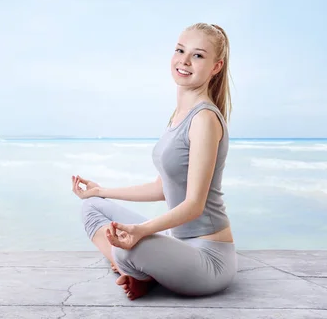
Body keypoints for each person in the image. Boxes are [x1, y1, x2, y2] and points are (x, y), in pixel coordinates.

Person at [72, 22, 236, 300]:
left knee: (126, 246)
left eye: (197, 55)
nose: (184, 60)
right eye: (180, 50)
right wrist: (100, 191)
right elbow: (162, 188)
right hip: (178, 245)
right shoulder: (179, 115)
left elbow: (194, 206)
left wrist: (141, 231)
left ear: (216, 67)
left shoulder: (204, 120)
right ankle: (137, 270)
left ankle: (134, 270)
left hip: (208, 260)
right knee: (92, 208)